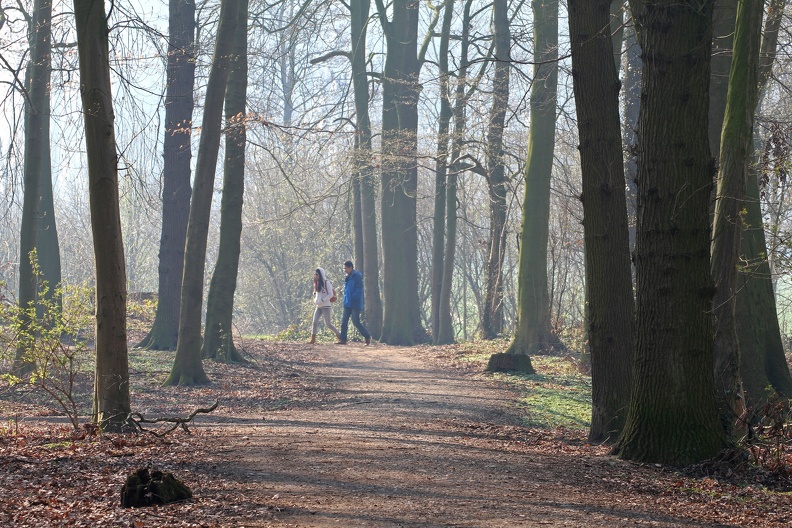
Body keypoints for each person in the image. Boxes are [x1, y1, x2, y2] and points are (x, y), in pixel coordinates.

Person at [337, 260, 371, 345]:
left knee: (356, 322)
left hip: (355, 303)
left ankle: (367, 336)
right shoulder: (347, 277)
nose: (344, 270)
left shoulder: (357, 276)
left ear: (350, 268)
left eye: (345, 268)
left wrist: (353, 297)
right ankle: (343, 339)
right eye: (344, 268)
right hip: (347, 302)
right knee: (344, 322)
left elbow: (359, 289)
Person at [308, 267, 340, 344]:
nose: (315, 276)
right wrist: (316, 300)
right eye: (315, 274)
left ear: (321, 275)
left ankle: (339, 335)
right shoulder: (317, 283)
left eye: (317, 274)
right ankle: (313, 339)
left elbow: (330, 294)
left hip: (326, 306)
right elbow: (317, 294)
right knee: (314, 321)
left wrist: (323, 300)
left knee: (328, 324)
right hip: (318, 306)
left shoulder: (326, 282)